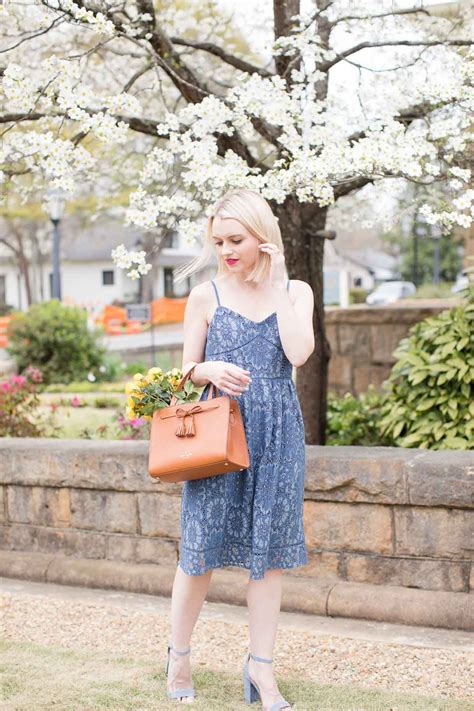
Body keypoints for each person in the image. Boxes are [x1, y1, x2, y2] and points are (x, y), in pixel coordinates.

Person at [165, 188, 315, 709]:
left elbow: (298, 352)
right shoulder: (206, 296)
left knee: (267, 560)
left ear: (262, 237)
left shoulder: (296, 291)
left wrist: (274, 284)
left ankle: (261, 671)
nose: (226, 250)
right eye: (218, 241)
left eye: (236, 239)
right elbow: (181, 377)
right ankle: (179, 655)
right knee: (199, 552)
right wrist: (204, 369)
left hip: (277, 436)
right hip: (219, 434)